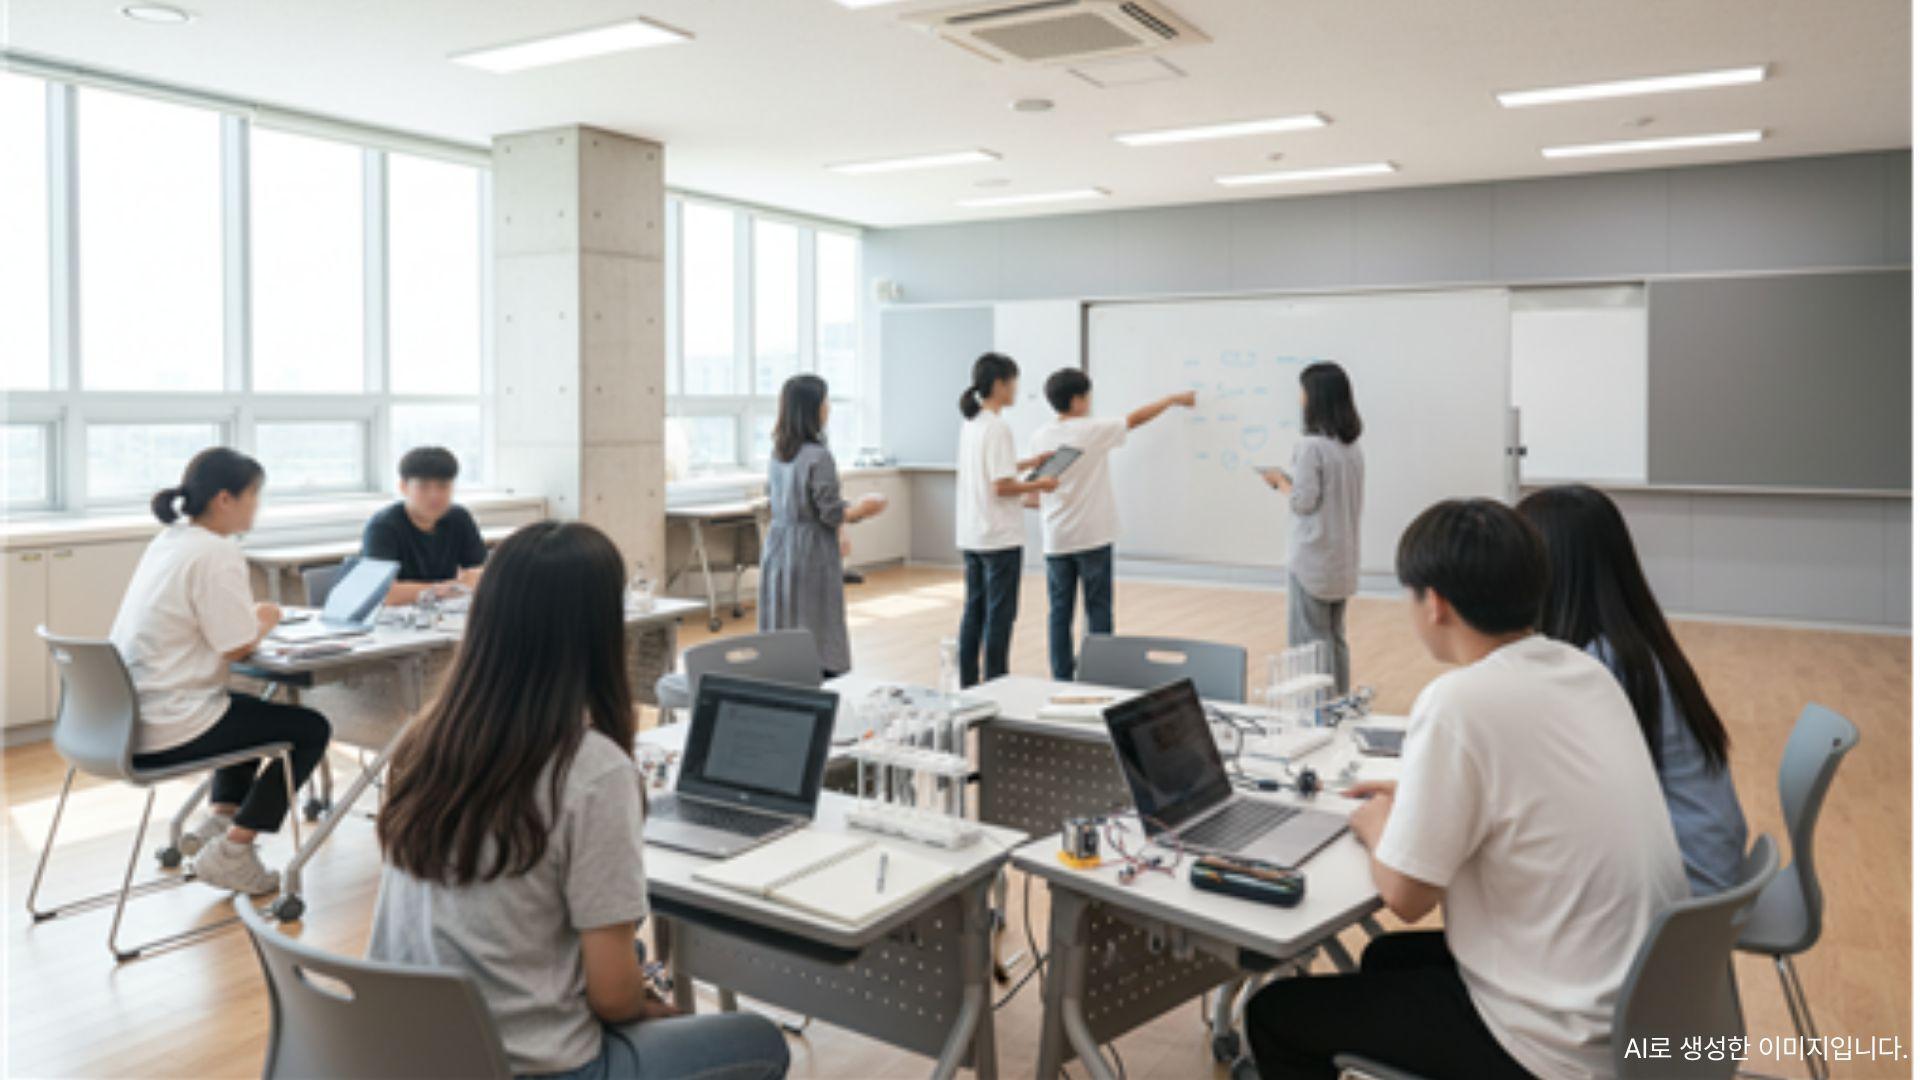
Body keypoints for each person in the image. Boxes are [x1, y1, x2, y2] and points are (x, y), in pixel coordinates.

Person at [1246, 499, 1688, 1080]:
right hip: (1638, 1009)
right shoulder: (1584, 671)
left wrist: (1379, 824)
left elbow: (1407, 900)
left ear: (1435, 603)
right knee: (1384, 959)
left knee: (1275, 1014)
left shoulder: (1459, 701)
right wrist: (1420, 805)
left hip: (1554, 1045)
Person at [369, 521, 790, 1080]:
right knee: (761, 1042)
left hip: (407, 1048)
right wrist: (648, 1008)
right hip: (528, 1063)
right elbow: (614, 1000)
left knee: (628, 960)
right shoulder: (591, 769)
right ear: (599, 628)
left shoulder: (425, 737)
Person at [112, 448, 332, 896]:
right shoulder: (217, 552)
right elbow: (236, 646)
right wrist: (266, 617)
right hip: (170, 725)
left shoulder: (171, 540)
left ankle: (222, 817)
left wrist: (246, 619)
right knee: (310, 728)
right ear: (225, 499)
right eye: (254, 496)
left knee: (250, 711)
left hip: (122, 722)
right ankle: (234, 850)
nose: (257, 507)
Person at [1519, 484, 1749, 895]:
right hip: (1704, 873)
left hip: (1677, 893)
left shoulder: (1600, 665)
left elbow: (1563, 806)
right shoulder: (1632, 643)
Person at [1026, 368, 1195, 680]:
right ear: (1077, 401)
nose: (1090, 401)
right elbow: (1135, 419)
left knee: (1059, 612)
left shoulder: (1041, 435)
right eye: (1087, 396)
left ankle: (1061, 676)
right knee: (1099, 609)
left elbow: (1036, 487)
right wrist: (1171, 400)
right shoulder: (1093, 430)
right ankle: (1101, 674)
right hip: (1092, 535)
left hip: (1056, 537)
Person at [759, 374, 887, 678]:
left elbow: (778, 500)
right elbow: (829, 513)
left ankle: (782, 677)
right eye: (825, 401)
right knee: (817, 621)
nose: (828, 407)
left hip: (777, 547)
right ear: (813, 408)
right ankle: (821, 679)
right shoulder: (819, 456)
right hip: (810, 551)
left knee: (783, 616)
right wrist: (864, 509)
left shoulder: (777, 454)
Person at [954, 352, 1057, 688]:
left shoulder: (973, 423)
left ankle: (969, 682)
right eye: (1013, 382)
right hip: (999, 536)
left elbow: (994, 473)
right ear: (999, 384)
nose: (1016, 389)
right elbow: (1002, 486)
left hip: (973, 533)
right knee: (1000, 615)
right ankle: (998, 681)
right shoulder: (998, 427)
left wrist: (1031, 462)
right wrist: (1041, 482)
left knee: (974, 611)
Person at [1262, 362, 1364, 692]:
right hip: (1341, 559)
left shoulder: (1310, 447)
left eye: (1303, 391)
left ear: (1315, 397)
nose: (1300, 397)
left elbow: (1303, 502)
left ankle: (1317, 712)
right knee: (1335, 638)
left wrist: (1280, 483)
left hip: (1312, 559)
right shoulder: (1351, 447)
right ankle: (1339, 706)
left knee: (1310, 644)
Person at [362, 446, 487, 605]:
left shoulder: (459, 517)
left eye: (443, 486)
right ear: (404, 487)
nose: (434, 495)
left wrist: (454, 587)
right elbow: (382, 593)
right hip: (395, 618)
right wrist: (448, 588)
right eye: (423, 486)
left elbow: (483, 574)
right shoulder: (383, 526)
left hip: (442, 612)